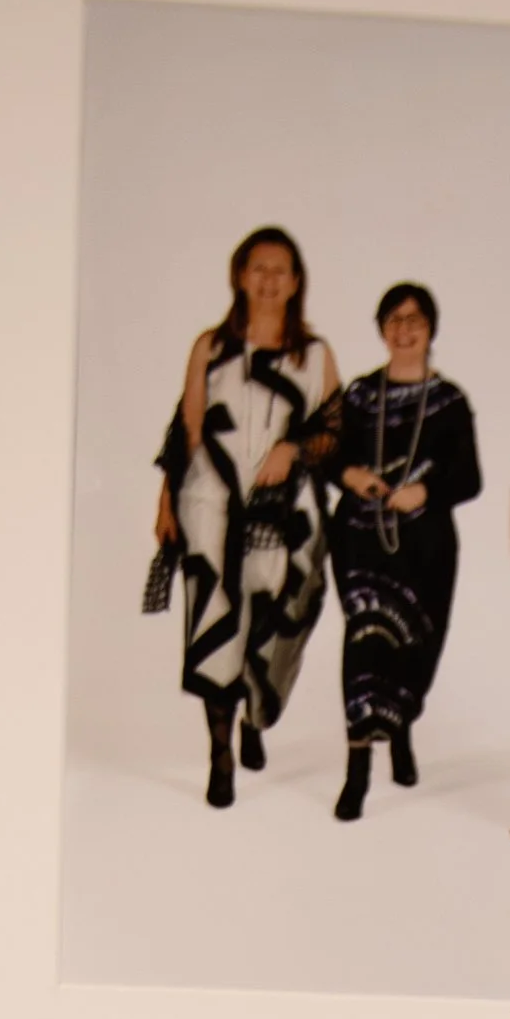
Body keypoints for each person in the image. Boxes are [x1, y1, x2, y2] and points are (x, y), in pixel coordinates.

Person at [153, 227, 341, 807]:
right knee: (215, 617)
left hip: (284, 508)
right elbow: (187, 426)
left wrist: (293, 450)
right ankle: (220, 754)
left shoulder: (313, 355)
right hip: (211, 496)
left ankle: (256, 716)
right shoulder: (211, 346)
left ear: (296, 280)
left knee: (278, 610)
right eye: (257, 267)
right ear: (239, 274)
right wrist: (166, 499)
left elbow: (335, 429)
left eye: (280, 269)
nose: (268, 279)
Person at [326, 282, 482, 821]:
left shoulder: (450, 402)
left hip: (425, 548)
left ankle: (401, 734)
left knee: (415, 647)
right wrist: (350, 473)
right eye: (393, 319)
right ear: (381, 328)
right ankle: (357, 772)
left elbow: (469, 477)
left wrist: (426, 492)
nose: (404, 328)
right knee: (366, 641)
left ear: (431, 328)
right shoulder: (360, 395)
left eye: (415, 319)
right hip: (361, 539)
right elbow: (328, 455)